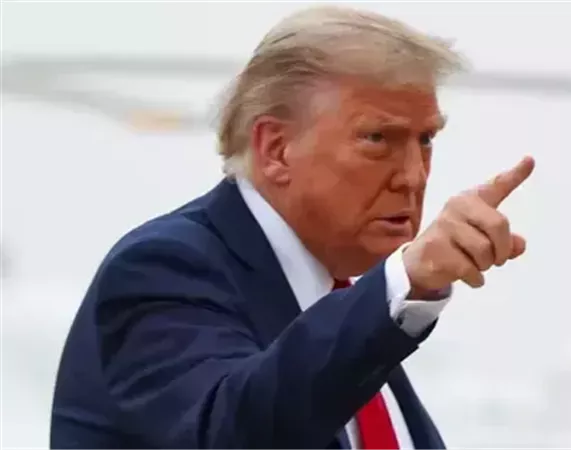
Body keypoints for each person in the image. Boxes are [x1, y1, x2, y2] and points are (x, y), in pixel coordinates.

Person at [50, 6, 534, 450]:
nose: (412, 175)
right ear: (276, 149)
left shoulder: (350, 308)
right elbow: (231, 433)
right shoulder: (164, 268)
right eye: (377, 138)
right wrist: (404, 282)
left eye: (425, 139)